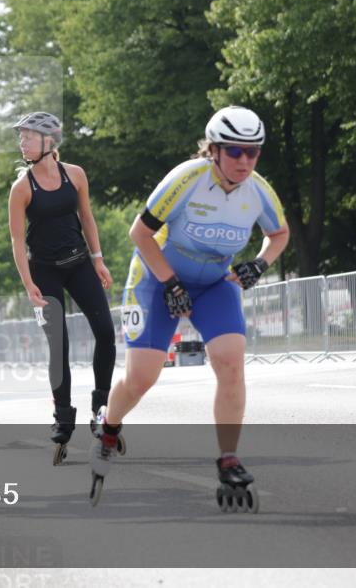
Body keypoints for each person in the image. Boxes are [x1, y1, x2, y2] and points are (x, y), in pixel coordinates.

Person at [90, 106, 290, 508]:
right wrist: (169, 282)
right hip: (157, 276)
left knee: (231, 361)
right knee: (142, 378)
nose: (245, 161)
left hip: (215, 283)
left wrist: (260, 263)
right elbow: (139, 233)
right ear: (213, 150)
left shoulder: (258, 190)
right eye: (235, 151)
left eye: (253, 152)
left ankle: (228, 457)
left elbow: (280, 233)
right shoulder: (186, 179)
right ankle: (109, 425)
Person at [7, 111, 116, 464]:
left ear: (48, 140)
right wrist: (28, 286)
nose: (21, 142)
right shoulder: (22, 187)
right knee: (59, 346)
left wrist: (98, 259)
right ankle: (62, 417)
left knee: (105, 333)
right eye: (20, 136)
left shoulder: (76, 175)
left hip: (79, 263)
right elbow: (16, 240)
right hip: (44, 272)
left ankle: (101, 408)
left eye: (27, 136)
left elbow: (87, 217)